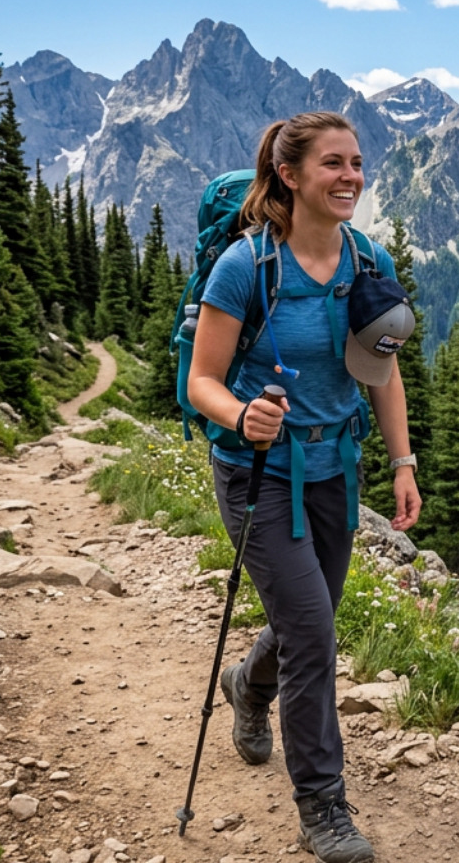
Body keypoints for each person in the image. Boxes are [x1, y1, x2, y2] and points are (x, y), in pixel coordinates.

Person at [187, 111, 421, 863]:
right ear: (290, 175)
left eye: (356, 162)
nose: (351, 176)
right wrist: (240, 413)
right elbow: (202, 382)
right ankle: (322, 807)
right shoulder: (247, 268)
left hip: (334, 478)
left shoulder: (366, 259)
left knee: (306, 624)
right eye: (333, 163)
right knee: (314, 633)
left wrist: (402, 462)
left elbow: (382, 370)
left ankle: (248, 686)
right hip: (259, 475)